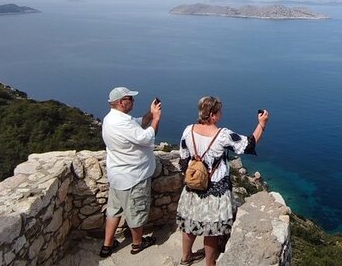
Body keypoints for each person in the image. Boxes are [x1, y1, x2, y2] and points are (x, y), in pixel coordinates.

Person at [176, 96, 269, 266]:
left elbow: (183, 158)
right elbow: (248, 145)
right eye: (219, 112)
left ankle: (185, 258)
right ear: (212, 115)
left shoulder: (188, 130)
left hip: (193, 186)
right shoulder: (222, 135)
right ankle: (210, 264)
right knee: (211, 231)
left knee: (190, 224)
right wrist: (261, 124)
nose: (220, 115)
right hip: (215, 190)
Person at [99, 86, 162, 257]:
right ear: (121, 102)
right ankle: (137, 244)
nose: (133, 101)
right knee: (136, 212)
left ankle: (107, 244)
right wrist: (156, 119)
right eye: (130, 99)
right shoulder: (121, 123)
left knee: (114, 210)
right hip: (133, 176)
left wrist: (149, 114)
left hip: (117, 175)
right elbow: (148, 137)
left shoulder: (111, 118)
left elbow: (138, 123)